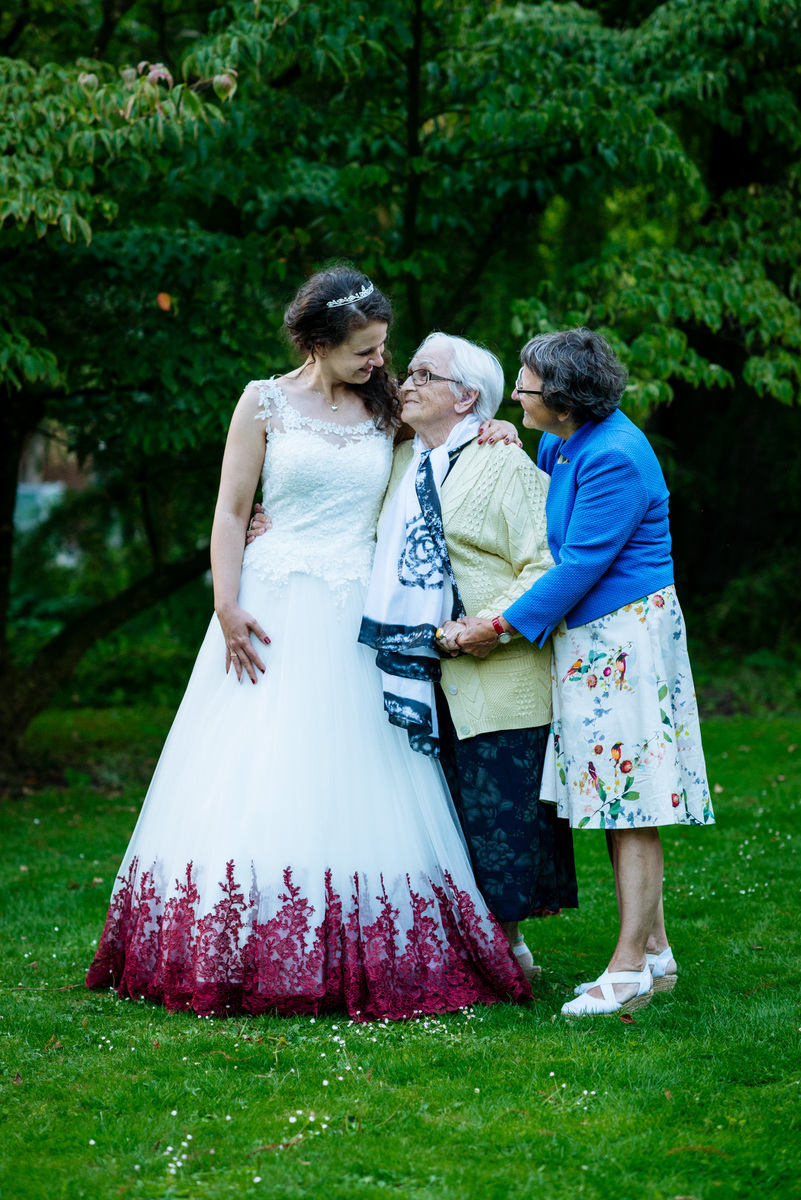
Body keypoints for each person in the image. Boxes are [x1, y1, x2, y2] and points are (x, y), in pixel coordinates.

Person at [85, 267, 530, 1021]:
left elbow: (444, 434)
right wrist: (226, 604)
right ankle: (241, 941)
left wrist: (496, 426)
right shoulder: (262, 403)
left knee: (359, 770)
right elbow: (231, 512)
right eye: (364, 349)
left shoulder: (383, 406)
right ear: (318, 342)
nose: (379, 362)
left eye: (383, 348)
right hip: (268, 603)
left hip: (356, 607)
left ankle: (366, 941)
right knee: (256, 762)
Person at [452, 327, 714, 1016]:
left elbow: (578, 565)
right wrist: (510, 439)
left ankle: (628, 969)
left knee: (630, 805)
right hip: (591, 639)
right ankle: (654, 954)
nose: (514, 393)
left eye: (525, 386)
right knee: (613, 800)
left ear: (563, 397)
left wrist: (498, 626)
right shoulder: (561, 441)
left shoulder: (616, 456)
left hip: (624, 637)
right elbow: (547, 517)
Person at [358, 332, 578, 980]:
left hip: (493, 674)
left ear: (466, 398)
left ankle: (506, 950)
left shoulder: (503, 462)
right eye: (411, 372)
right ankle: (455, 949)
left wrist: (484, 626)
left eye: (424, 374)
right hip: (420, 674)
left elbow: (544, 565)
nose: (408, 383)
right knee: (441, 820)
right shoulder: (401, 464)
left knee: (497, 822)